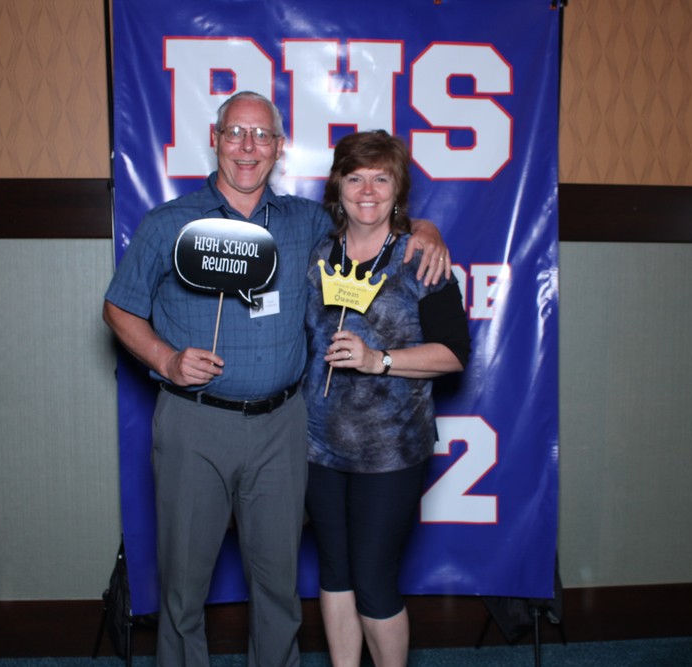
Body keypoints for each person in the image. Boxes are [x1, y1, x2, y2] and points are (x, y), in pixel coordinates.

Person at [102, 92, 449, 667]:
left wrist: (427, 230)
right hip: (195, 421)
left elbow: (372, 218)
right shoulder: (168, 224)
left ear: (279, 147)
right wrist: (165, 360)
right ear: (215, 139)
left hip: (282, 428)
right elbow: (118, 308)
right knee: (184, 590)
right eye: (236, 133)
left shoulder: (305, 223)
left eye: (262, 135)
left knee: (277, 589)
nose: (248, 147)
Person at [302, 130, 471, 667]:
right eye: (356, 178)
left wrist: (381, 360)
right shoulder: (318, 253)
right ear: (338, 186)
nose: (368, 191)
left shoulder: (420, 256)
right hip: (317, 445)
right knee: (335, 572)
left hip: (390, 450)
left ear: (398, 189)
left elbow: (455, 353)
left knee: (374, 580)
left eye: (381, 178)